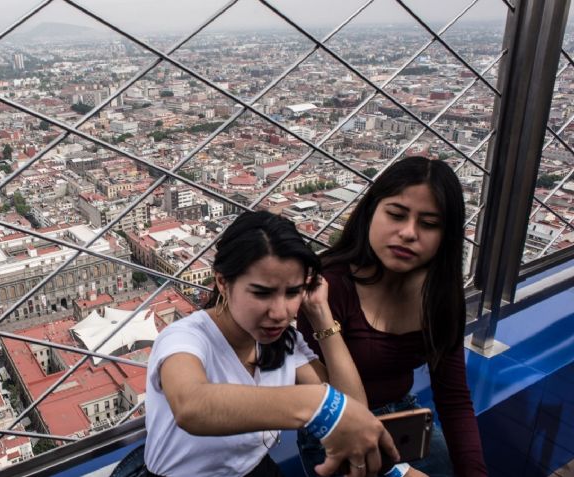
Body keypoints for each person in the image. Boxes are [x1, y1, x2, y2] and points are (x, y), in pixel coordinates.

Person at [141, 210, 399, 477]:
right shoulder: (185, 337)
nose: (279, 313)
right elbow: (191, 406)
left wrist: (322, 315)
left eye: (292, 292)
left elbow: (353, 409)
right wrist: (313, 403)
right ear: (223, 282)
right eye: (262, 293)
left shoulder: (285, 342)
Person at [296, 156, 487, 477]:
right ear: (371, 212)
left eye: (428, 224)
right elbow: (329, 401)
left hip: (406, 418)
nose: (409, 233)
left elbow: (453, 399)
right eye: (396, 215)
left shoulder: (438, 295)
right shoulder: (330, 286)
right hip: (334, 423)